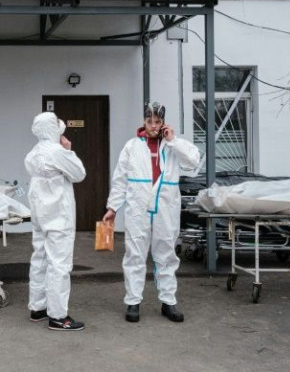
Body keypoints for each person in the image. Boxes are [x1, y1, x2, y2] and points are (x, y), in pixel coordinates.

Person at [102, 101, 200, 323]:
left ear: (163, 122)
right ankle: (133, 302)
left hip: (166, 209)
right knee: (135, 254)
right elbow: (120, 179)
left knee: (166, 254)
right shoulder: (132, 146)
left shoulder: (172, 146)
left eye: (157, 121)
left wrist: (173, 140)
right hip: (138, 208)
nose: (153, 125)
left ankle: (168, 302)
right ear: (143, 121)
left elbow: (194, 162)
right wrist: (112, 207)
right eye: (149, 121)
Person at [25, 111, 87, 331]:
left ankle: (38, 307)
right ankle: (58, 316)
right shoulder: (58, 152)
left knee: (39, 259)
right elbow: (79, 174)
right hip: (58, 216)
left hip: (40, 215)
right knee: (59, 264)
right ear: (54, 129)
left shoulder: (33, 153)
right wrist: (69, 151)